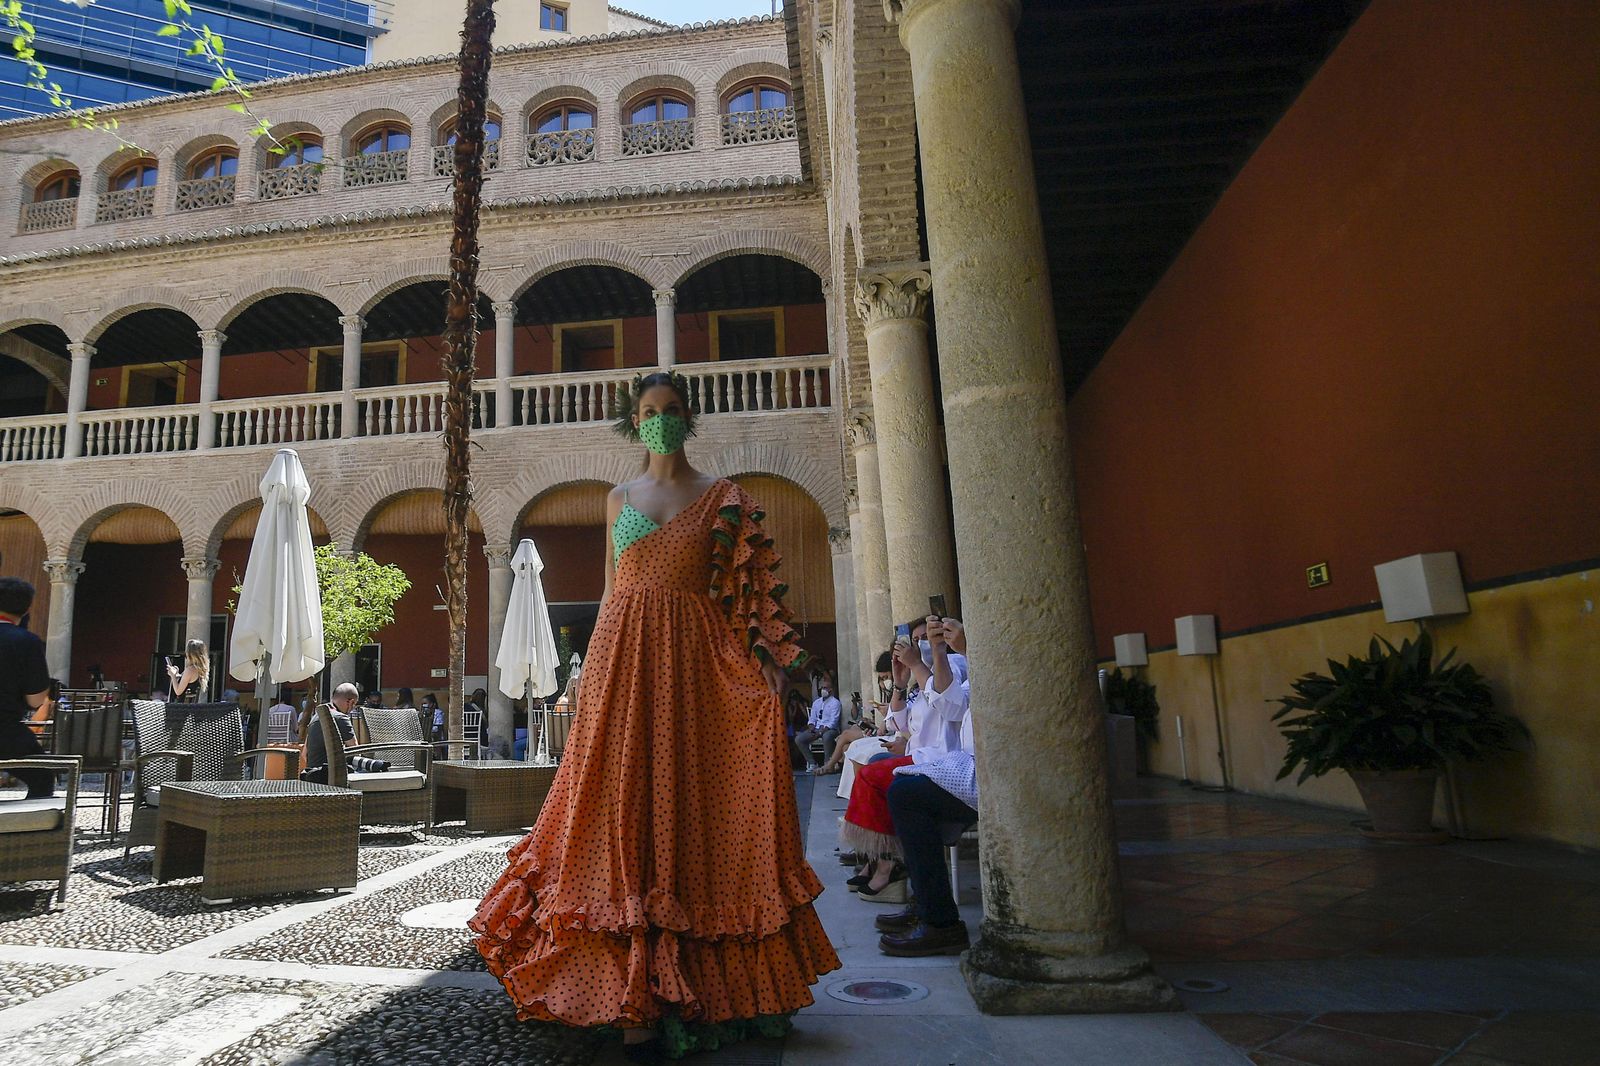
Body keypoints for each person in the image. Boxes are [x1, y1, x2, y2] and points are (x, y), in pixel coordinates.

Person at [471, 371, 839, 1063]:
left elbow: (746, 592)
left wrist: (764, 665)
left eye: (670, 411)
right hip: (622, 659)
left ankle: (699, 987)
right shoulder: (618, 499)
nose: (660, 421)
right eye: (648, 412)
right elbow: (613, 591)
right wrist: (588, 677)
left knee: (689, 801)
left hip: (695, 663)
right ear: (632, 421)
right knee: (616, 801)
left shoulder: (724, 497)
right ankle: (621, 988)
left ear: (688, 418)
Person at [878, 616, 976, 955]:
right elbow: (899, 721)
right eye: (917, 638)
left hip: (975, 765)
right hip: (955, 762)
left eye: (927, 636)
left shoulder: (962, 662)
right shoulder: (938, 667)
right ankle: (923, 901)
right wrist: (903, 681)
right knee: (896, 785)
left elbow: (949, 710)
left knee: (902, 792)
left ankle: (937, 919)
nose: (918, 643)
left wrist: (950, 655)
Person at [0, 578, 53, 798]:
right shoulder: (27, 641)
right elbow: (35, 700)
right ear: (27, 607)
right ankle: (23, 830)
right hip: (5, 730)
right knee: (43, 776)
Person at [304, 682, 360, 774]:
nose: (352, 708)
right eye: (354, 704)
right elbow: (356, 752)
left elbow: (304, 754)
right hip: (335, 775)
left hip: (313, 774)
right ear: (351, 702)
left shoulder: (316, 717)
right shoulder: (341, 717)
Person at [794, 673, 841, 772]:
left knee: (827, 736)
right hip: (816, 728)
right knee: (799, 739)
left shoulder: (835, 703)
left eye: (825, 688)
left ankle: (827, 764)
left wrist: (821, 731)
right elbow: (812, 719)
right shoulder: (817, 702)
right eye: (822, 687)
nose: (822, 690)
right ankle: (812, 763)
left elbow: (833, 722)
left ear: (830, 690)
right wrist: (811, 727)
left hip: (830, 729)